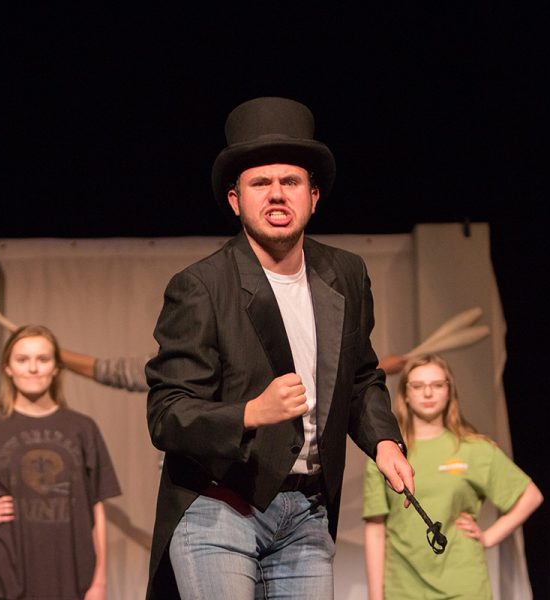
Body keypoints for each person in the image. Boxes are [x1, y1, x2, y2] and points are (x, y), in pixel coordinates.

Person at [144, 96, 415, 599]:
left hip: (307, 513)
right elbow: (167, 414)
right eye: (260, 183)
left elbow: (360, 377)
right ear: (235, 200)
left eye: (290, 182)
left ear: (314, 197)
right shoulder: (201, 286)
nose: (276, 195)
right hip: (218, 505)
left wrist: (384, 441)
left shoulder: (346, 274)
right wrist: (249, 413)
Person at [0, 324, 121, 600]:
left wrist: (99, 582)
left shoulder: (81, 428)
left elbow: (96, 506)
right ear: (7, 367)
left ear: (56, 368)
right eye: (22, 359)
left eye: (43, 359)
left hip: (71, 572)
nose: (33, 368)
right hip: (6, 570)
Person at [363, 354, 543, 600]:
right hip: (403, 588)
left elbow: (531, 496)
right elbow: (375, 528)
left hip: (464, 585)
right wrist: (375, 596)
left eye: (437, 385)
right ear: (405, 392)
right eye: (418, 386)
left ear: (450, 392)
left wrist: (488, 537)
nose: (428, 393)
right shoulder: (388, 454)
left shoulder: (474, 449)